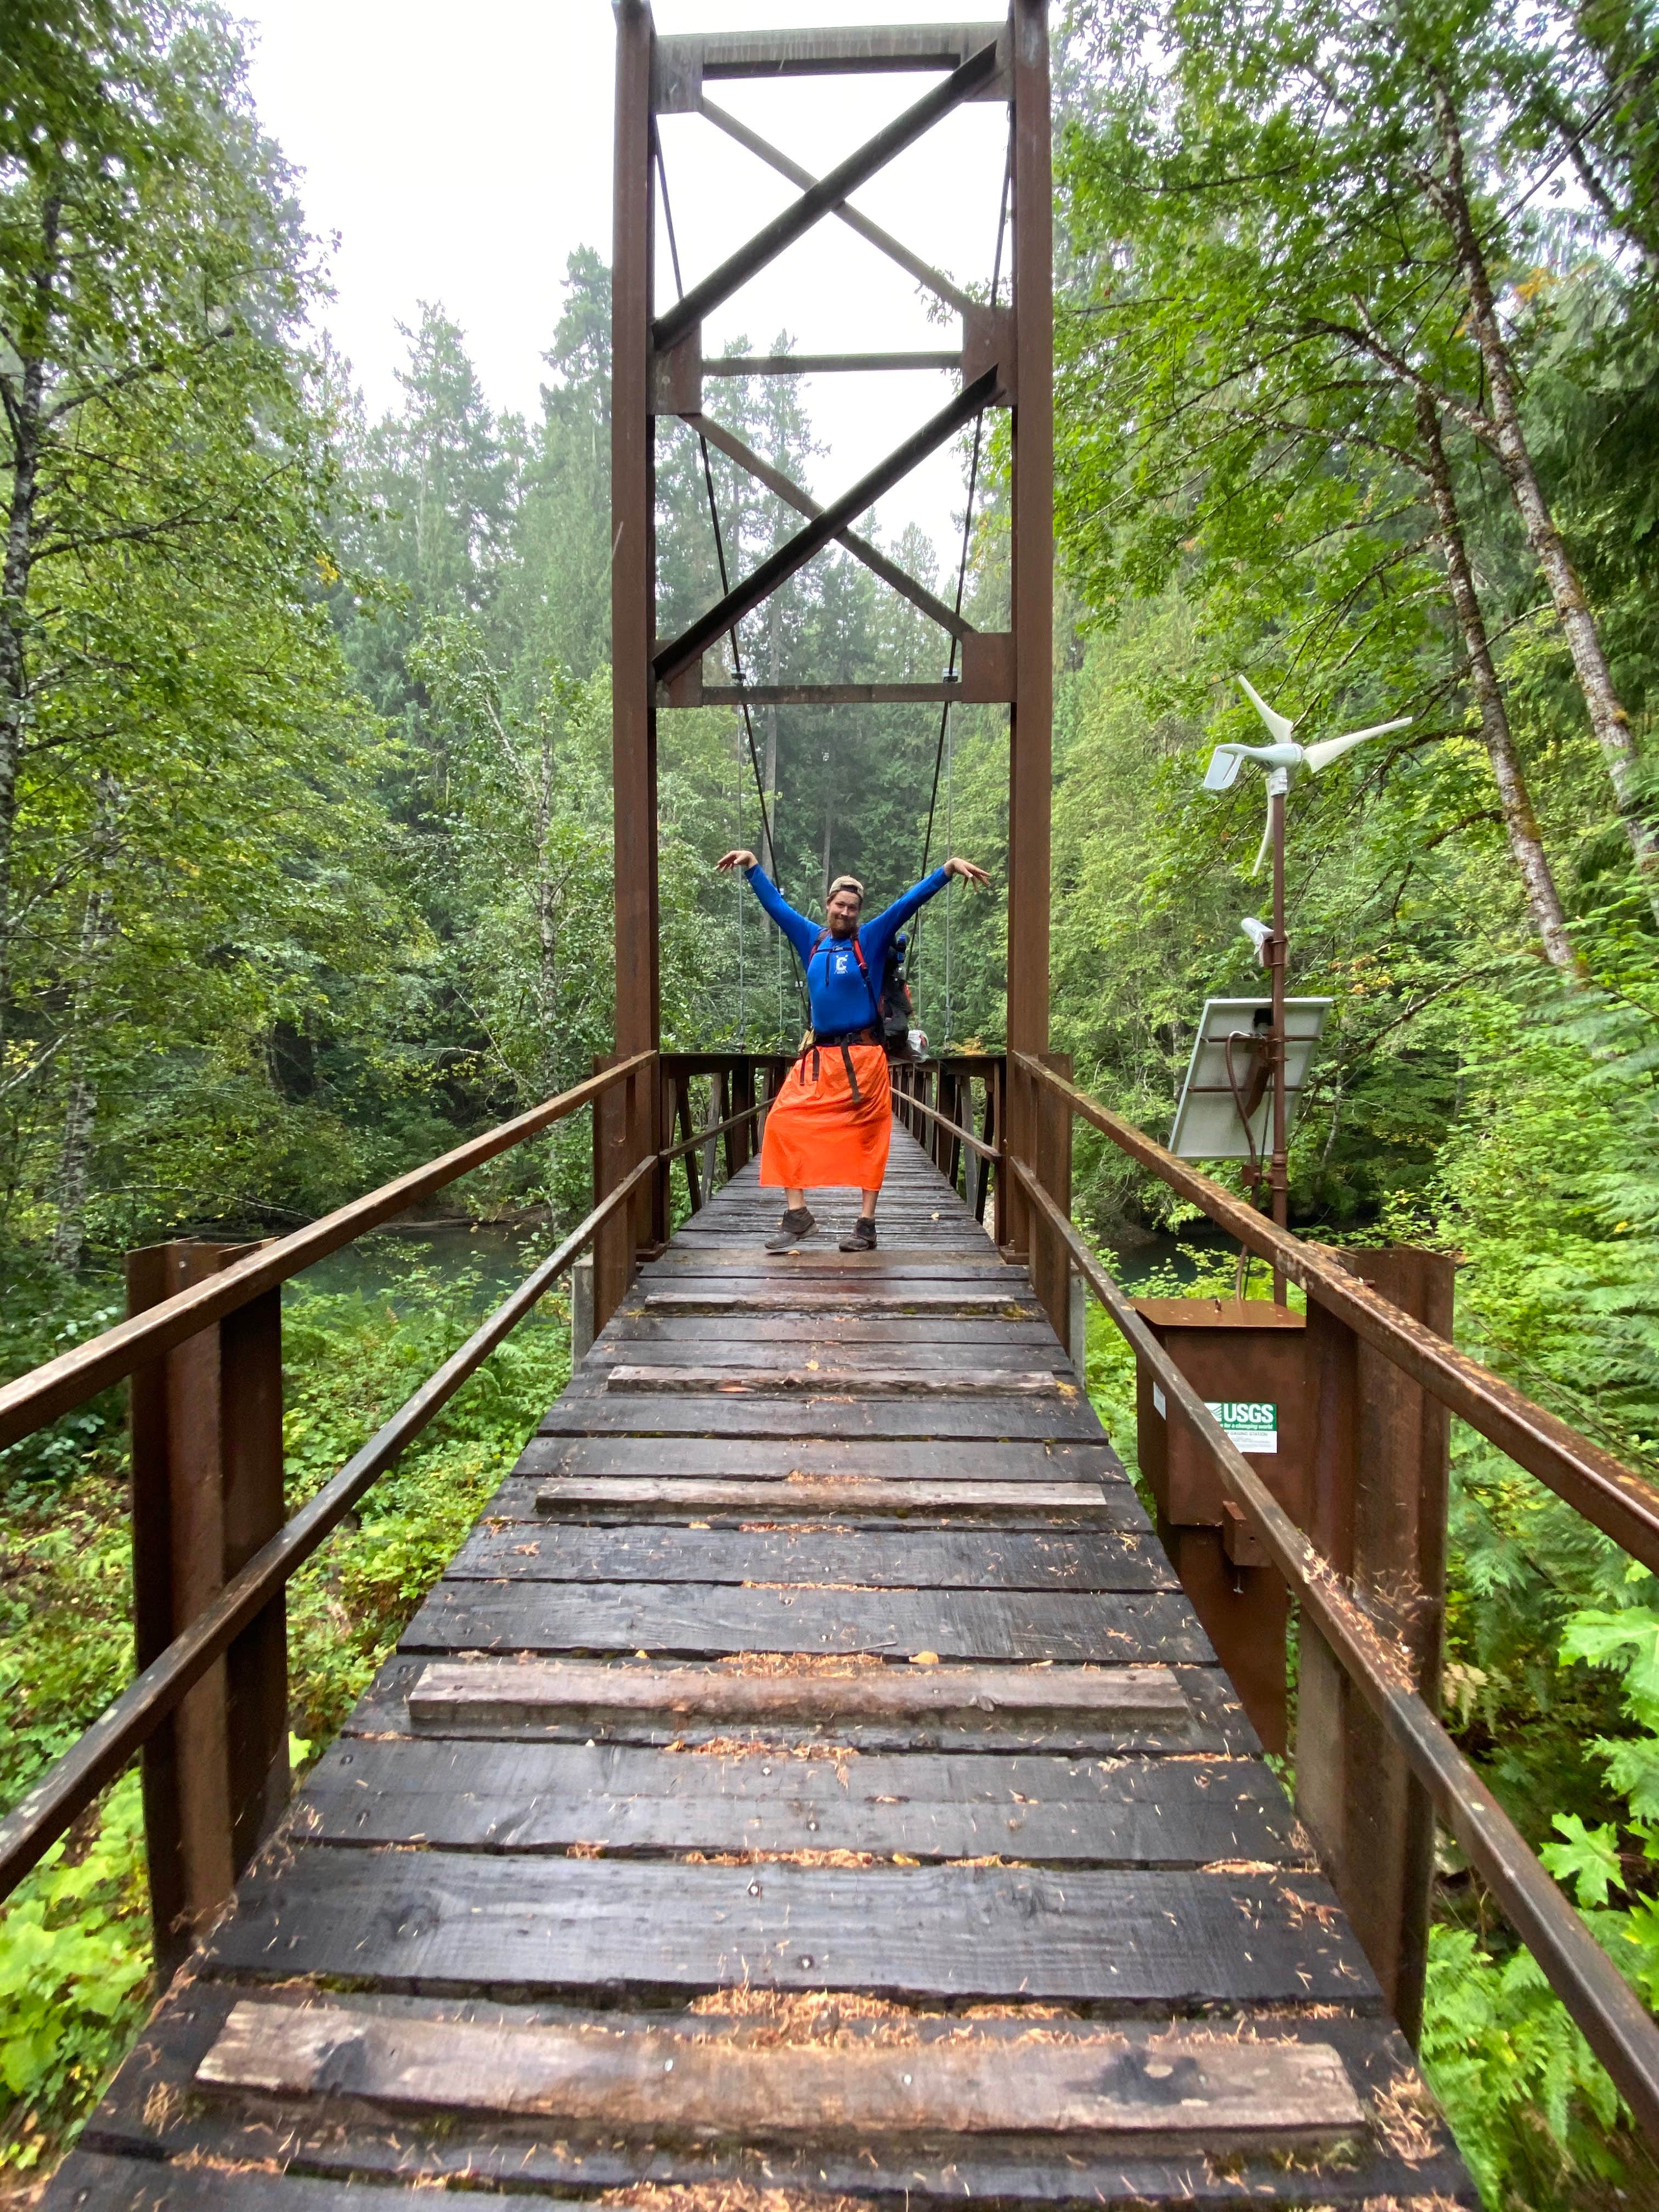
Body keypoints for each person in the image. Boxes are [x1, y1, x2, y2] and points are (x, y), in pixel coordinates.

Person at [715, 848, 991, 1250]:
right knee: (782, 1123)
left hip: (864, 1059)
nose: (845, 913)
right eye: (840, 905)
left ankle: (866, 1225)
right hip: (818, 1060)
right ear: (829, 904)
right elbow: (776, 906)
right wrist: (753, 867)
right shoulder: (811, 938)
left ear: (859, 912)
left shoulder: (872, 938)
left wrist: (946, 871)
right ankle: (798, 1216)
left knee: (868, 1138)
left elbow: (907, 903)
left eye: (852, 908)